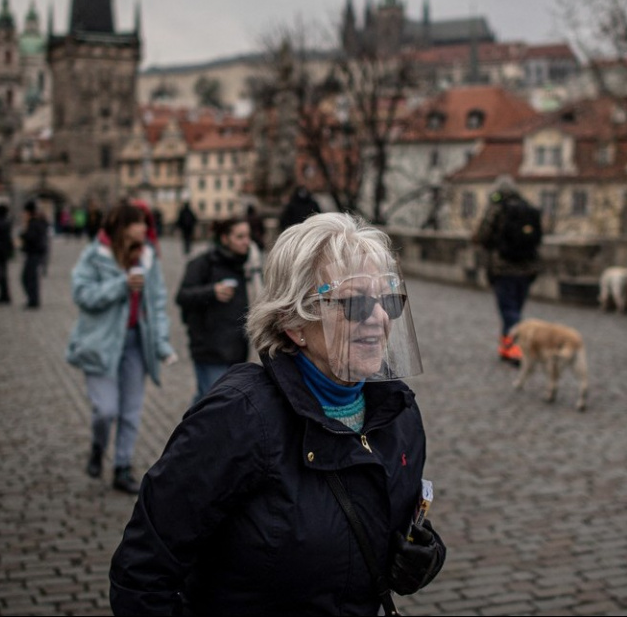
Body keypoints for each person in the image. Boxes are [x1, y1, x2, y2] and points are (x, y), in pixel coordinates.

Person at [110, 212, 446, 615]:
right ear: (293, 322)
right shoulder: (238, 417)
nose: (377, 318)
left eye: (388, 299)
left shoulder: (398, 414)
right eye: (354, 302)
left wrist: (424, 554)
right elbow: (143, 573)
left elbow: (396, 526)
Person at [67, 201, 178, 494]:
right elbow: (82, 295)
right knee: (105, 410)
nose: (146, 228)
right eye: (140, 222)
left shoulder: (148, 257)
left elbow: (156, 304)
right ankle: (97, 446)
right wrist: (121, 284)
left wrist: (162, 344)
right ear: (124, 227)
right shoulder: (94, 256)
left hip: (135, 343)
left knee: (131, 410)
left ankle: (122, 467)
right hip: (101, 343)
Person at [175, 217, 252, 405]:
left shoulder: (247, 265)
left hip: (237, 349)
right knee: (211, 402)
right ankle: (192, 432)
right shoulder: (202, 263)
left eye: (248, 236)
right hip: (209, 348)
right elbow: (182, 296)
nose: (246, 241)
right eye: (240, 236)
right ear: (225, 238)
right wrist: (212, 291)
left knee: (220, 402)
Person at [474, 176, 543, 366]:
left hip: (504, 268)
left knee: (509, 311)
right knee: (515, 310)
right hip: (528, 269)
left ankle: (517, 349)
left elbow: (482, 236)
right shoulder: (527, 206)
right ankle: (507, 347)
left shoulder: (497, 208)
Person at [19, 200, 48, 309]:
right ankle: (32, 299)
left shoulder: (33, 223)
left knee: (29, 278)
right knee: (29, 278)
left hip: (34, 253)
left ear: (28, 212)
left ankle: (33, 301)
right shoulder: (35, 222)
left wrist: (24, 229)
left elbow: (31, 238)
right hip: (33, 253)